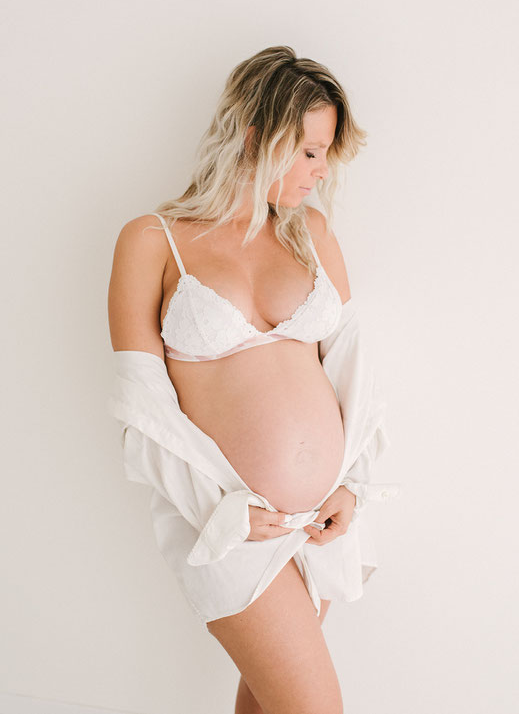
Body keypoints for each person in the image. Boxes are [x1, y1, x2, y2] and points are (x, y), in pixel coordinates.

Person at [107, 45, 401, 714]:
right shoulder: (153, 241)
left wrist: (353, 485)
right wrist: (221, 510)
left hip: (320, 521)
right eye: (306, 151)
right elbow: (141, 408)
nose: (318, 171)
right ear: (252, 134)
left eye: (325, 154)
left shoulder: (312, 234)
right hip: (229, 527)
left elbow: (354, 375)